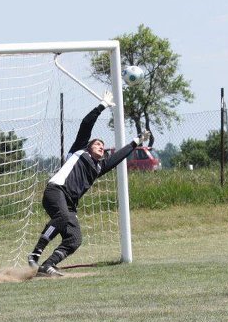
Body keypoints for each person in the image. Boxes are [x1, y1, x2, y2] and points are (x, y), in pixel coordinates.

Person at [28, 90, 150, 277]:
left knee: (74, 239)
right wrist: (101, 106)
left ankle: (47, 266)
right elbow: (86, 124)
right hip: (55, 191)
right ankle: (35, 253)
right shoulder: (78, 151)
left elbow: (117, 157)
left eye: (103, 145)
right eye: (97, 143)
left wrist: (135, 142)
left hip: (70, 204)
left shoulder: (99, 167)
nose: (101, 146)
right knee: (61, 217)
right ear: (88, 146)